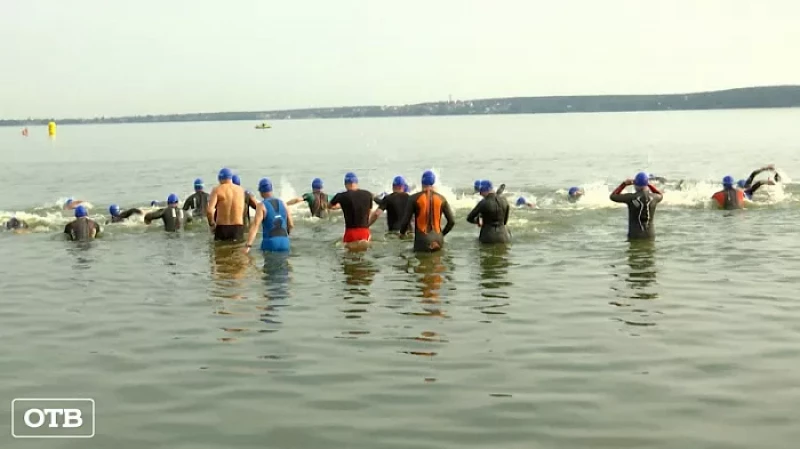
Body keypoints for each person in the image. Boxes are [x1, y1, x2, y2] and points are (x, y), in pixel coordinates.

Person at [399, 171, 455, 251]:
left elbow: (406, 220)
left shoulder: (413, 198)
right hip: (439, 240)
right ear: (433, 183)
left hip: (422, 241)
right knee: (438, 261)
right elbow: (451, 221)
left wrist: (402, 234)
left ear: (422, 182)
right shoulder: (442, 199)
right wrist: (442, 234)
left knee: (422, 262)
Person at [244, 178, 294, 253]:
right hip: (285, 243)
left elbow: (255, 226)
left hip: (270, 243)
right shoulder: (283, 203)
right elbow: (291, 225)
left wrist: (248, 246)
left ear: (260, 191)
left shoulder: (261, 205)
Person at [609, 172, 663, 239]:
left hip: (635, 236)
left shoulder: (631, 198)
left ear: (635, 184)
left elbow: (613, 196)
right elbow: (660, 194)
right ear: (646, 185)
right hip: (650, 236)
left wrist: (624, 184)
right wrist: (649, 184)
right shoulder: (654, 197)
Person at [329, 172, 374, 244]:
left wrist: (342, 205)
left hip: (350, 233)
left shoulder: (340, 196)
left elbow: (329, 206)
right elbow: (369, 212)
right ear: (356, 182)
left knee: (348, 254)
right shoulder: (368, 194)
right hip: (364, 232)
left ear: (345, 184)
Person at [207, 167, 246, 242]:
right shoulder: (241, 190)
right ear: (231, 178)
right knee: (237, 252)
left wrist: (212, 224)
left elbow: (209, 211)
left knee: (220, 252)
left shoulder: (217, 190)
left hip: (222, 228)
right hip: (238, 228)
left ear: (219, 178)